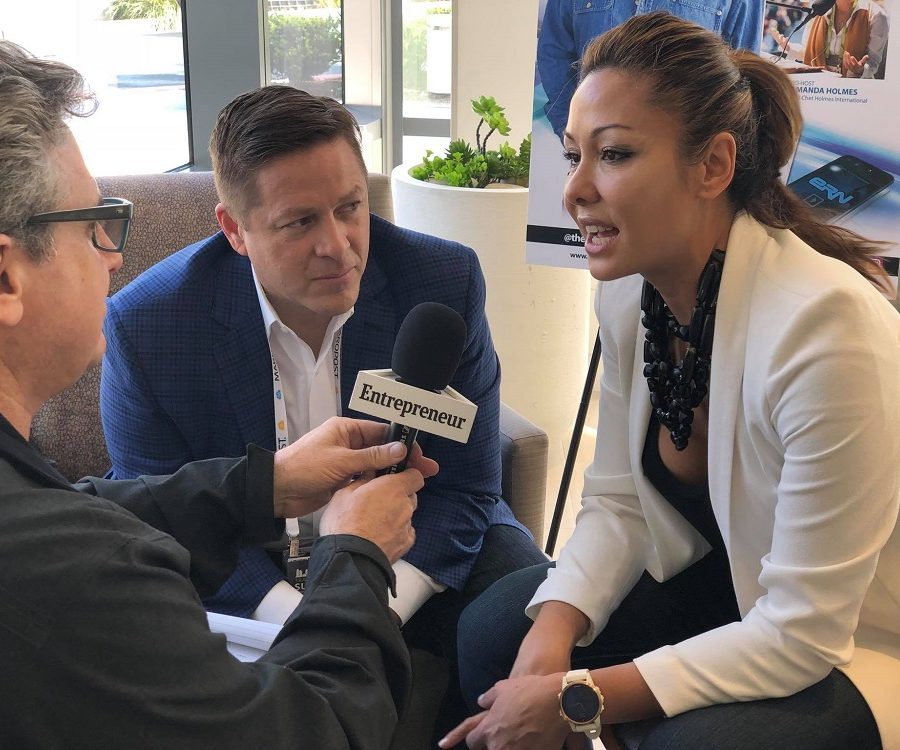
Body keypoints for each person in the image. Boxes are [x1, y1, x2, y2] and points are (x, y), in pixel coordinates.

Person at [444, 12, 900, 750]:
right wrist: (549, 639)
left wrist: (578, 697)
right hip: (728, 589)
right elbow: (619, 500)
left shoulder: (826, 329)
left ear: (713, 166)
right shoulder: (630, 293)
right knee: (497, 633)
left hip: (853, 639)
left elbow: (801, 632)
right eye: (572, 155)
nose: (574, 190)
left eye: (614, 154)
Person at [0, 40, 443, 747]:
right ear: (7, 278)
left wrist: (263, 485)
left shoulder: (38, 520)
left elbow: (78, 508)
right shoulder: (84, 576)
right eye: (93, 225)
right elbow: (313, 732)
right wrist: (356, 553)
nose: (114, 254)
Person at [98, 86, 546, 733]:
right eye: (300, 222)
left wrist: (372, 609)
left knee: (527, 605)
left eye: (350, 208)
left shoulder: (440, 282)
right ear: (235, 230)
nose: (338, 245)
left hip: (414, 550)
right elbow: (168, 519)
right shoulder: (151, 325)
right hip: (248, 572)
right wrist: (309, 619)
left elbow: (469, 486)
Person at [538, 0, 764, 141]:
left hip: (684, 162)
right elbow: (554, 52)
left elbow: (743, 69)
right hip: (595, 151)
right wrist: (572, 132)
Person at [770, 0, 889, 78]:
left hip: (854, 93)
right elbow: (809, 53)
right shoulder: (819, 9)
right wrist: (789, 48)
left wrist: (860, 70)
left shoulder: (877, 15)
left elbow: (873, 62)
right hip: (819, 88)